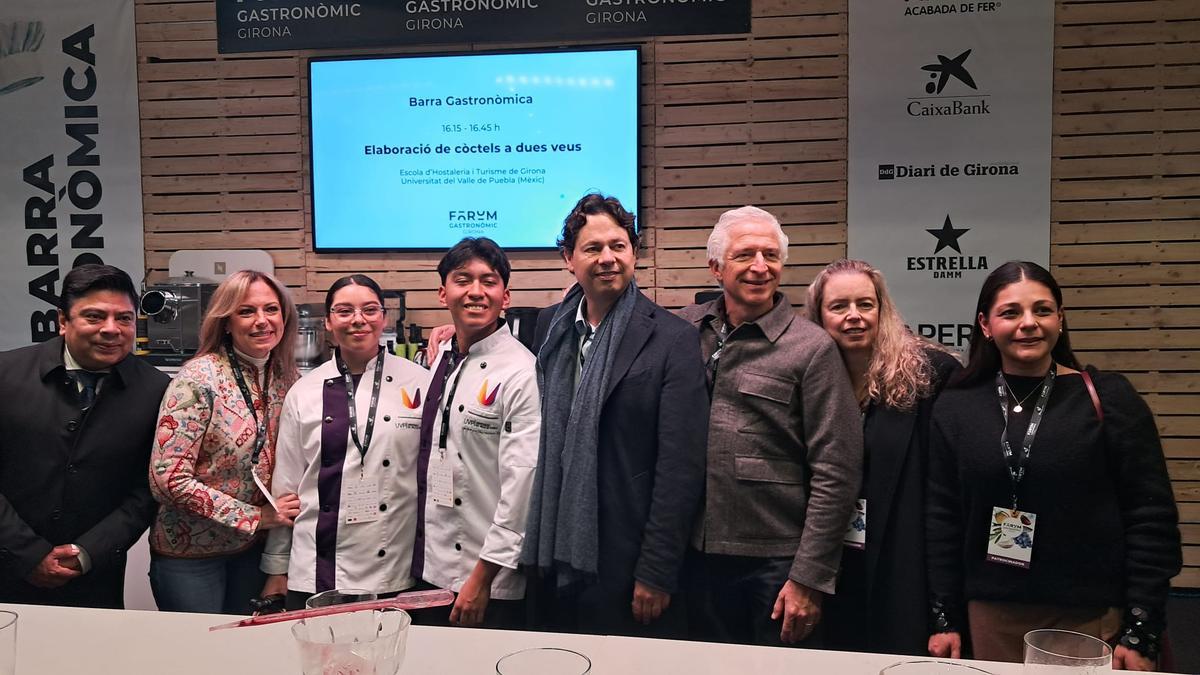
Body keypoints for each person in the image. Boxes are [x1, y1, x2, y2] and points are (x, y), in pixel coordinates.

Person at [926, 261, 1181, 669]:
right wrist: (945, 617)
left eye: (1042, 310)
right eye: (1011, 312)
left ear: (1060, 319)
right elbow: (942, 520)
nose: (1028, 323)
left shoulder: (1108, 399)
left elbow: (1151, 517)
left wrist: (1142, 625)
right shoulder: (957, 407)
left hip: (1090, 617)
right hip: (991, 615)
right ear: (985, 325)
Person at [521, 192, 709, 638]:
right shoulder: (549, 327)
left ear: (634, 252)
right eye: (592, 248)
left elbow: (680, 469)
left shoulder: (672, 338)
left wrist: (657, 570)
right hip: (552, 551)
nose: (607, 258)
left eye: (618, 246)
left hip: (627, 559)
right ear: (569, 258)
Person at [678, 206, 862, 647]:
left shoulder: (811, 348)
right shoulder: (683, 331)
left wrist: (810, 577)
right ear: (715, 267)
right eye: (745, 255)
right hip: (691, 557)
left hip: (776, 568)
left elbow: (836, 470)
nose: (761, 267)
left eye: (771, 255)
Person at [803, 258, 960, 656]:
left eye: (865, 304)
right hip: (833, 555)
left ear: (882, 309)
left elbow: (948, 490)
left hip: (905, 560)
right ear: (819, 315)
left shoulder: (930, 374)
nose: (853, 316)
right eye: (838, 306)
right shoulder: (805, 377)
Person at [0, 264, 170, 608]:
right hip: (6, 566)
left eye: (124, 318)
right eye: (94, 316)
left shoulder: (157, 390)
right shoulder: (6, 375)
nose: (111, 329)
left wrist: (88, 552)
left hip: (94, 575)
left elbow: (147, 489)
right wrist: (27, 552)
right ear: (63, 321)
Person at [261, 274, 430, 610]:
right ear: (327, 322)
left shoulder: (420, 382)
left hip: (394, 566)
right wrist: (277, 568)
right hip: (317, 567)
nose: (358, 320)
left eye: (369, 310)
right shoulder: (304, 392)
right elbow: (287, 489)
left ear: (384, 317)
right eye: (344, 311)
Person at [148, 270, 301, 614]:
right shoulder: (197, 379)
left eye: (271, 309)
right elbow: (167, 479)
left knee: (246, 654)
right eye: (246, 311)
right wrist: (253, 517)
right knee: (198, 657)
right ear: (226, 322)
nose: (262, 321)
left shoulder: (287, 377)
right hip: (190, 557)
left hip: (252, 553)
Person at [407, 238, 540, 628]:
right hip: (432, 565)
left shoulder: (521, 371)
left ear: (506, 296)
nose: (476, 292)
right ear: (442, 292)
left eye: (489, 281)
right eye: (463, 280)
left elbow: (522, 487)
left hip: (488, 578)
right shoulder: (443, 356)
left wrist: (482, 578)